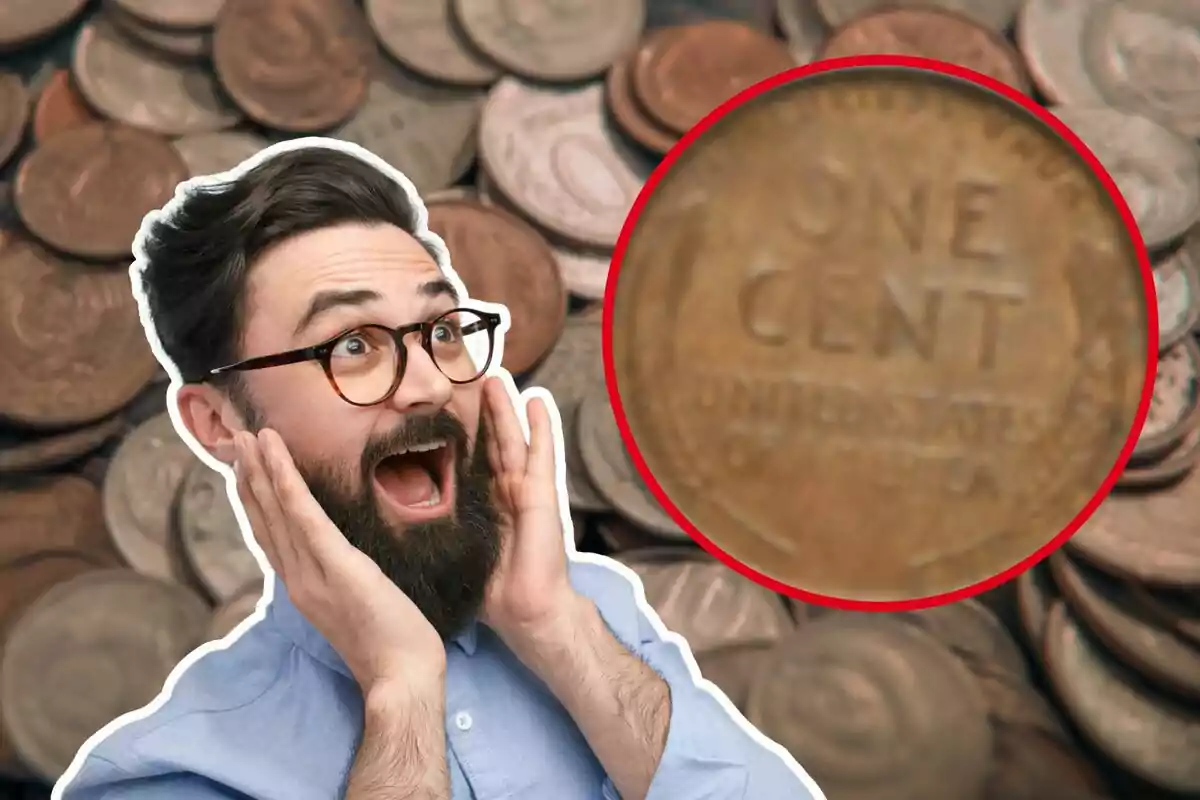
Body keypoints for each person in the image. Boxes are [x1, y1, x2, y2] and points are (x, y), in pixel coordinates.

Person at [55, 140, 823, 800]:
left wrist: (556, 631)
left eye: (441, 329)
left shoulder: (594, 614)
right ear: (218, 423)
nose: (428, 382)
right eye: (351, 344)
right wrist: (401, 692)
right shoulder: (168, 772)